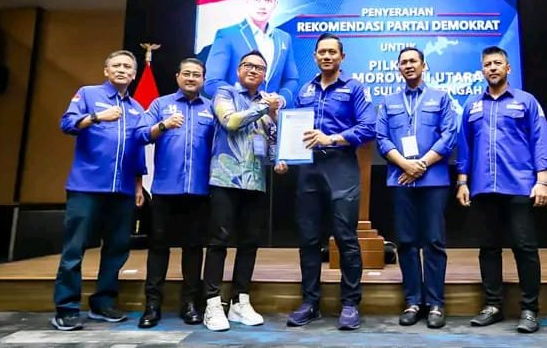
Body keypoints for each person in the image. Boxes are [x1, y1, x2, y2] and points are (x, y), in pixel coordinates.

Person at [455, 46, 547, 334]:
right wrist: (462, 182)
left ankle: (530, 309)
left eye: (498, 63)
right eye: (488, 64)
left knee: (525, 248)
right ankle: (493, 305)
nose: (493, 68)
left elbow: (541, 141)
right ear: (482, 70)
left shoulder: (526, 101)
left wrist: (542, 181)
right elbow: (464, 146)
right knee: (488, 248)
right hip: (483, 187)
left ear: (508, 68)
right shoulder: (472, 105)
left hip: (520, 185)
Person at [286, 33, 376, 331]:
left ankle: (350, 303)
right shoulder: (305, 90)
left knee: (345, 237)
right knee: (309, 238)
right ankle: (310, 303)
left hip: (341, 166)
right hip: (308, 168)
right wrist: (285, 154)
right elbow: (294, 127)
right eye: (322, 52)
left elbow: (368, 127)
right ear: (314, 56)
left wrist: (332, 138)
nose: (326, 56)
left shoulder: (355, 88)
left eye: (332, 52)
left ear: (342, 57)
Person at [52, 50, 147, 331]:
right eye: (116, 65)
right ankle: (67, 307)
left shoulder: (137, 108)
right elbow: (67, 124)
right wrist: (96, 117)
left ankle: (103, 302)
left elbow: (138, 149)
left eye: (127, 66)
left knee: (117, 248)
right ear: (106, 70)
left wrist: (139, 184)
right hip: (87, 186)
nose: (122, 69)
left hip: (123, 189)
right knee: (75, 248)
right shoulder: (88, 94)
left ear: (133, 74)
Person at [202, 50, 286, 331]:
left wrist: (279, 159)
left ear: (265, 75)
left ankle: (240, 301)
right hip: (225, 179)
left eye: (259, 68)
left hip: (255, 181)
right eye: (248, 65)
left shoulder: (267, 104)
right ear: (239, 70)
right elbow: (230, 121)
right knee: (219, 241)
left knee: (249, 242)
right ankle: (213, 303)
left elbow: (270, 142)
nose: (253, 70)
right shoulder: (224, 93)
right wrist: (265, 107)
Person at [375, 47, 457, 329]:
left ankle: (435, 304)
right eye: (404, 62)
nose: (408, 65)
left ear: (424, 65)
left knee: (434, 241)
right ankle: (413, 301)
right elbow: (382, 138)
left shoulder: (441, 97)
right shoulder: (388, 101)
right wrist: (405, 165)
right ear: (398, 67)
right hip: (400, 178)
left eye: (413, 61)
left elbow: (449, 135)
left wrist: (420, 165)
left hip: (433, 179)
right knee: (407, 242)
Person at [137, 58, 213, 329]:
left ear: (204, 79)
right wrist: (164, 125)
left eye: (197, 75)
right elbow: (141, 134)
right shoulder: (161, 105)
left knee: (193, 249)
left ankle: (190, 303)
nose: (191, 78)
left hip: (200, 191)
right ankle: (152, 305)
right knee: (158, 247)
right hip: (165, 190)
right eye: (187, 73)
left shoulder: (211, 108)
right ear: (177, 76)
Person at [203, 0, 298, 106]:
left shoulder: (284, 38)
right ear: (247, 1)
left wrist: (281, 99)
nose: (262, 5)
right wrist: (243, 98)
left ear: (275, 4)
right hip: (236, 114)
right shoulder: (227, 35)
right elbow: (212, 82)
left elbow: (291, 79)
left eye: (268, 0)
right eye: (257, 0)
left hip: (272, 116)